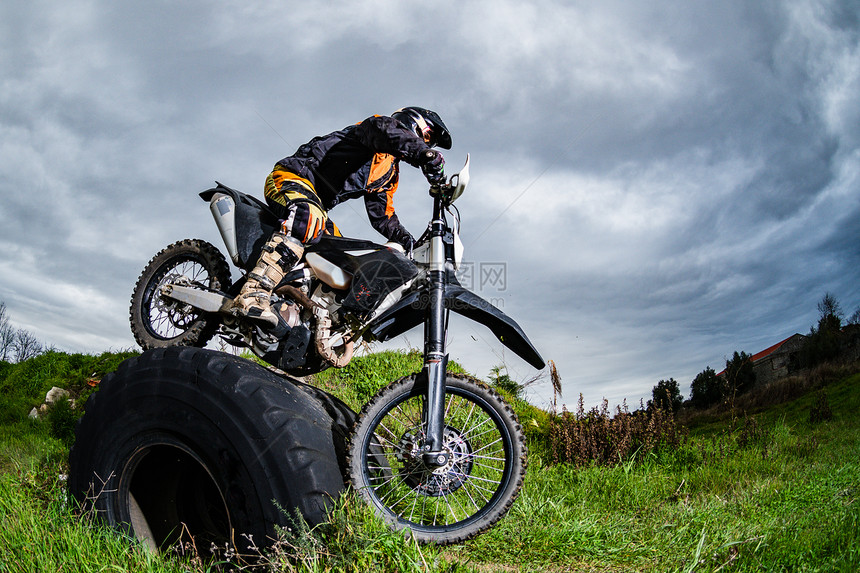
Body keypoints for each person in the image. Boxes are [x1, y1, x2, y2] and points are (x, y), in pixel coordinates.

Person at [230, 106, 452, 327]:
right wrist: (425, 154)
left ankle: (303, 314)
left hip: (318, 204)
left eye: (430, 143)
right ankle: (253, 293)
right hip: (291, 178)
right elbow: (389, 133)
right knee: (309, 218)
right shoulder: (377, 128)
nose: (427, 143)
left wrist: (409, 242)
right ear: (412, 122)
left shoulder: (389, 173)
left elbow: (382, 215)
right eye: (428, 136)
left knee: (341, 256)